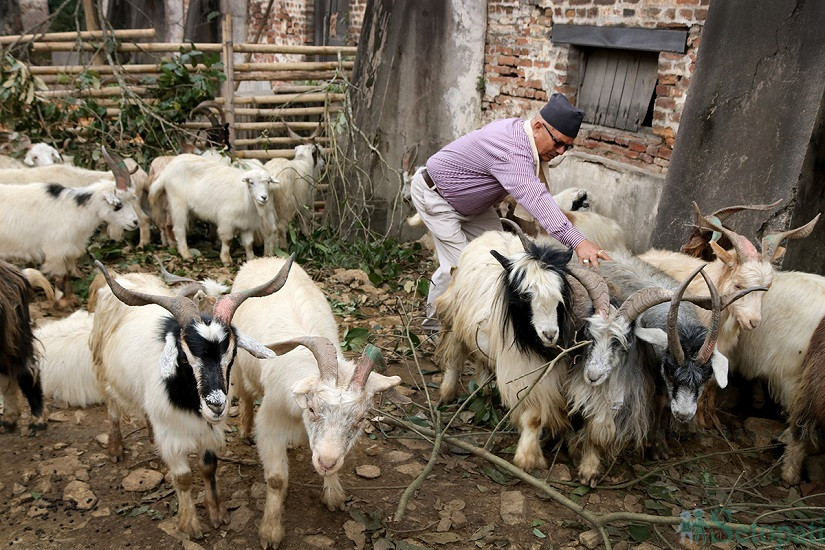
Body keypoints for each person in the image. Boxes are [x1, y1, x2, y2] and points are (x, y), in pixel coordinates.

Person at [410, 92, 611, 332]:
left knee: (502, 257)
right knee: (459, 266)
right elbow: (537, 200)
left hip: (474, 206)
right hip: (437, 196)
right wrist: (578, 242)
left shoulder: (524, 135)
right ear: (537, 126)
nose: (560, 151)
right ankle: (435, 327)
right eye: (558, 143)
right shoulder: (511, 150)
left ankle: (493, 321)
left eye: (568, 146)